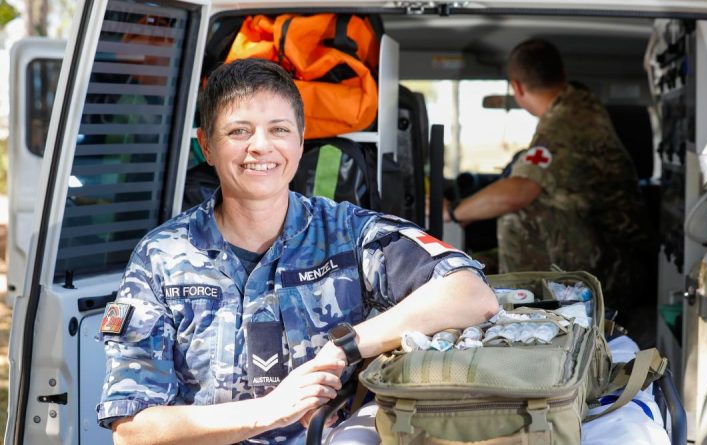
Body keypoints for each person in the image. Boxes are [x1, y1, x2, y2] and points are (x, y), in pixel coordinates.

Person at [96, 58, 499, 445]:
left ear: (301, 141)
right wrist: (268, 411)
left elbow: (471, 293)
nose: (260, 147)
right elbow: (132, 429)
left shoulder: (347, 233)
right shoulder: (162, 256)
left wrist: (345, 345)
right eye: (238, 131)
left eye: (279, 130)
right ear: (207, 145)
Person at [444, 39, 652, 325]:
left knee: (519, 214)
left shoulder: (567, 121)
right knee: (477, 264)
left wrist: (454, 212)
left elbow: (518, 192)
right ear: (560, 73)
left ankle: (523, 321)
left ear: (516, 87)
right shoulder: (574, 104)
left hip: (619, 270)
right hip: (608, 250)